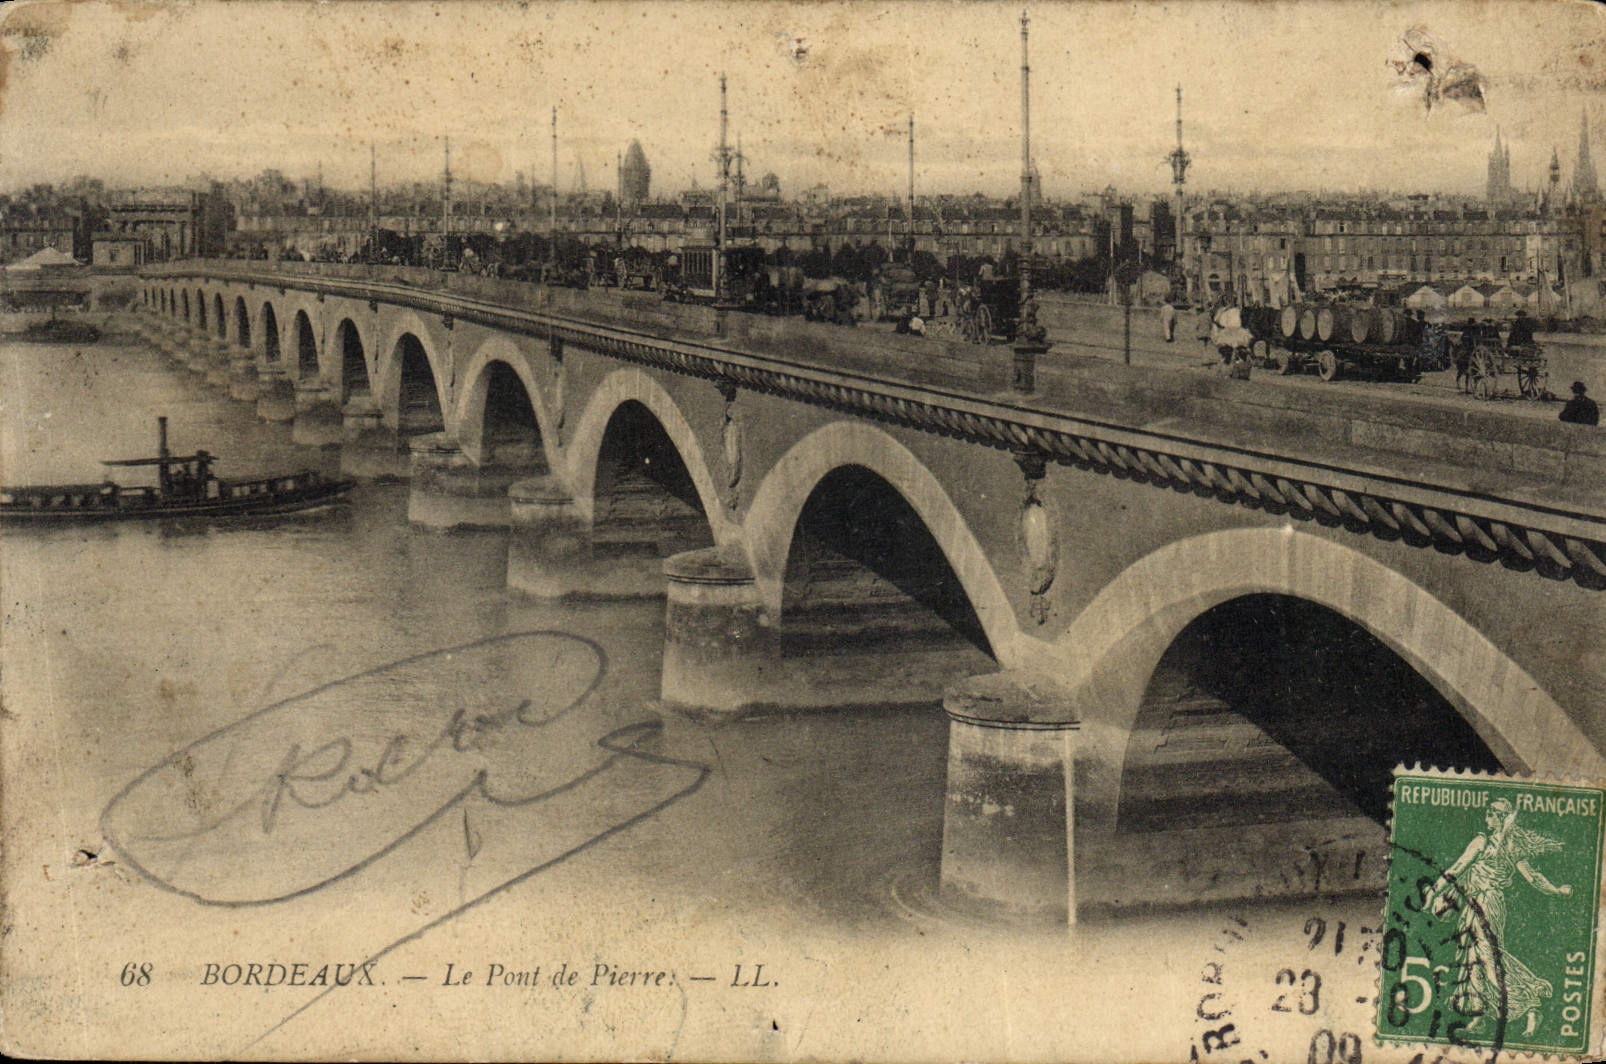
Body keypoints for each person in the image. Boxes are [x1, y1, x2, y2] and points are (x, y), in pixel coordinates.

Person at [1421, 797, 1571, 1036]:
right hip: (1474, 903)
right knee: (1472, 958)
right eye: (1488, 813)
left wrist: (1556, 890)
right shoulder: (1486, 842)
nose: (1487, 817)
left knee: (1489, 961)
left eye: (1492, 814)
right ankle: (1478, 1016)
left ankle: (1530, 1005)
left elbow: (1532, 877)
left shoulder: (1504, 846)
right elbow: (1457, 869)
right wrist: (1434, 891)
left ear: (1503, 819)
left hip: (1489, 903)